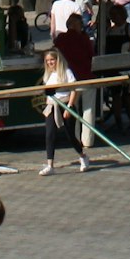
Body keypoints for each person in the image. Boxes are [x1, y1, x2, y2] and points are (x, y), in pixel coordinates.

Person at [37, 48, 90, 176]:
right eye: (47, 60)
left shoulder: (66, 72)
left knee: (70, 135)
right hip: (52, 106)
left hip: (65, 104)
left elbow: (73, 89)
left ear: (57, 60)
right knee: (50, 134)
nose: (50, 63)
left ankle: (83, 156)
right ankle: (50, 165)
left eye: (52, 60)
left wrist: (70, 106)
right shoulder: (48, 74)